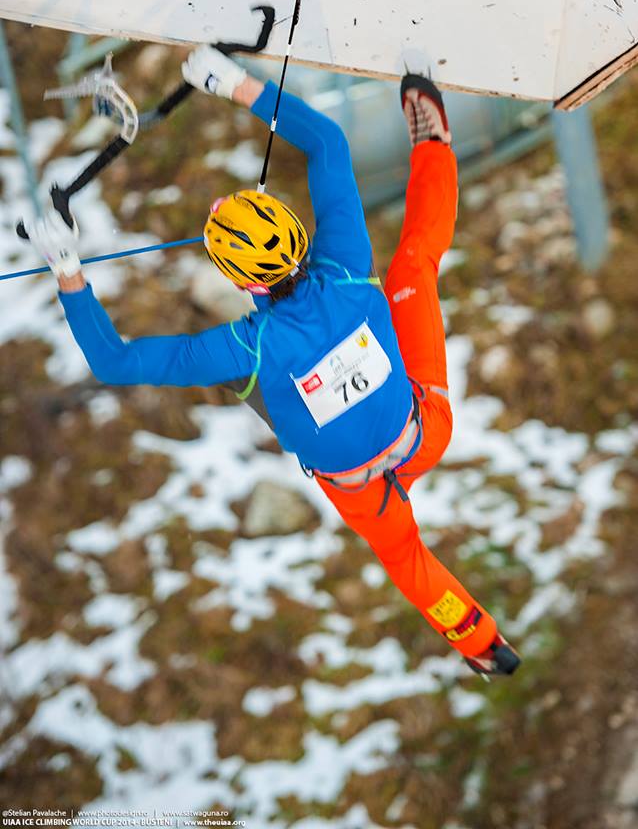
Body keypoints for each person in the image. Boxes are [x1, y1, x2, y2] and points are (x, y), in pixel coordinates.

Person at [26, 47, 520, 676]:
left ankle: (483, 646)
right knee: (413, 264)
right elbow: (327, 144)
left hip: (365, 492)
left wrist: (69, 273)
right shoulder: (342, 264)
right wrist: (236, 86)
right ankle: (433, 145)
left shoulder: (245, 346)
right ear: (293, 228)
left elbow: (117, 362)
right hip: (424, 424)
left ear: (238, 281)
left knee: (409, 562)